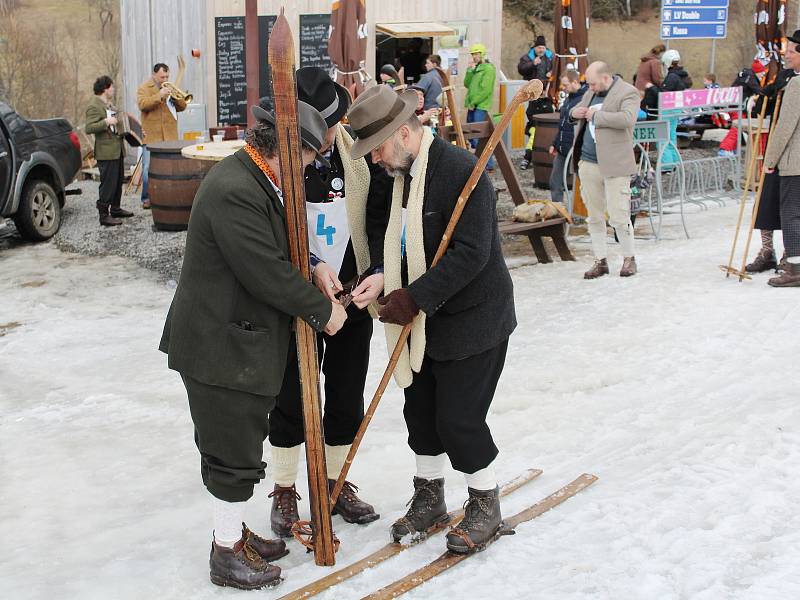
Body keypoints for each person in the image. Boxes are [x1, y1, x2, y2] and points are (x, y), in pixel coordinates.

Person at [159, 101, 347, 590]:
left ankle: (234, 533)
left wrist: (314, 263)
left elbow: (278, 244)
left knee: (237, 444)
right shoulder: (235, 188)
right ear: (286, 149)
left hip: (231, 339)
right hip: (219, 346)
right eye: (306, 159)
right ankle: (226, 553)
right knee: (231, 454)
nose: (308, 169)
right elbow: (263, 268)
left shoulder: (255, 178)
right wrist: (324, 311)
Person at [346, 84, 517, 554]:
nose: (375, 159)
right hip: (420, 320)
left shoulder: (463, 172)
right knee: (420, 415)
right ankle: (430, 498)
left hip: (472, 318)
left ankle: (485, 504)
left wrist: (414, 298)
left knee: (459, 419)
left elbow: (471, 254)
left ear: (403, 133)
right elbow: (394, 241)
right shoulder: (397, 176)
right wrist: (382, 278)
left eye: (377, 147)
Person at [268, 67, 391, 537]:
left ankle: (337, 481)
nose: (336, 130)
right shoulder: (279, 162)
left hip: (351, 291)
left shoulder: (353, 153)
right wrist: (311, 268)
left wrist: (376, 268)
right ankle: (284, 490)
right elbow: (273, 228)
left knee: (345, 391)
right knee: (292, 396)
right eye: (327, 124)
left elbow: (378, 211)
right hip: (300, 295)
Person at [570, 61, 640, 279]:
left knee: (619, 214)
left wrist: (596, 116)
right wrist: (576, 112)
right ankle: (600, 260)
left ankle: (629, 258)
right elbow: (573, 109)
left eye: (592, 83)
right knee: (594, 215)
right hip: (589, 161)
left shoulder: (628, 92)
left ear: (605, 78)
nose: (589, 88)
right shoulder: (591, 93)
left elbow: (627, 119)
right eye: (588, 84)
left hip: (615, 163)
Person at [763, 30, 800, 287]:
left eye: (791, 51)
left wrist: (770, 159)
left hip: (796, 162)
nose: (786, 55)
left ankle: (795, 269)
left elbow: (785, 126)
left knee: (792, 214)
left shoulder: (797, 85)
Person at [137, 63, 188, 209]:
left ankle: (168, 196)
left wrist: (175, 97)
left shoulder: (170, 87)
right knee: (147, 168)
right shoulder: (144, 88)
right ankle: (146, 198)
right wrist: (159, 95)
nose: (165, 78)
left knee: (170, 169)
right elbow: (143, 104)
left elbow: (183, 106)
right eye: (161, 76)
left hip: (170, 136)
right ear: (154, 75)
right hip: (152, 136)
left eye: (167, 76)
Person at [85, 75, 133, 227]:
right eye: (111, 87)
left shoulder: (108, 104)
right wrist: (106, 122)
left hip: (117, 149)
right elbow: (89, 127)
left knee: (118, 181)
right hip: (106, 152)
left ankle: (116, 209)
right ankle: (104, 215)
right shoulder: (94, 105)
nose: (113, 89)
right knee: (108, 183)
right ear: (105, 88)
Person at [549, 70, 587, 203]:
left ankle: (589, 214)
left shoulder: (585, 98)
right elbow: (563, 124)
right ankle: (557, 212)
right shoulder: (569, 98)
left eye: (566, 85)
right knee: (555, 182)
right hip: (562, 148)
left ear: (575, 82)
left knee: (585, 184)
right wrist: (555, 143)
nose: (563, 88)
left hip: (577, 149)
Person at [517, 35, 555, 170]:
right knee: (533, 127)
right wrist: (532, 64)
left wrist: (552, 73)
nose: (541, 50)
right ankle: (529, 156)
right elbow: (521, 69)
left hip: (547, 97)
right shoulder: (528, 57)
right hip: (533, 97)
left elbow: (559, 71)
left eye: (543, 48)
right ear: (535, 48)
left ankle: (535, 156)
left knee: (546, 127)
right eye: (539, 47)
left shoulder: (552, 58)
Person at [464, 43, 497, 170]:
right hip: (472, 105)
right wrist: (469, 70)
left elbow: (486, 90)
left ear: (482, 54)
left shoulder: (488, 69)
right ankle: (481, 163)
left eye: (476, 54)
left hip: (480, 106)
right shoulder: (476, 69)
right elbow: (467, 84)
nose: (474, 57)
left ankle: (488, 165)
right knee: (470, 135)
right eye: (473, 54)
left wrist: (474, 102)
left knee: (478, 135)